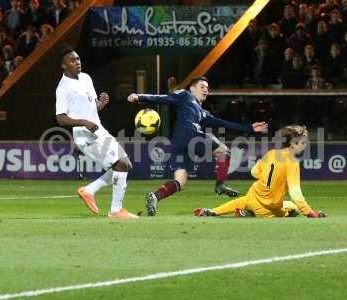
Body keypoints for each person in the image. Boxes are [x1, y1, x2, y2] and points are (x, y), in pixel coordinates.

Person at [127, 77, 267, 216]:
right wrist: (140, 97)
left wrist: (248, 128)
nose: (206, 89)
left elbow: (222, 123)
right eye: (202, 86)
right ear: (192, 88)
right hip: (191, 135)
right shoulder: (185, 96)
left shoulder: (202, 113)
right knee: (223, 151)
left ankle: (155, 196)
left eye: (207, 87)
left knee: (180, 181)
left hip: (178, 143)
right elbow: (164, 98)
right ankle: (220, 185)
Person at [55, 48, 137, 220]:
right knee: (121, 164)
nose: (77, 62)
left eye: (78, 58)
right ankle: (116, 211)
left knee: (125, 164)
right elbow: (61, 119)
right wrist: (84, 122)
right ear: (63, 65)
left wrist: (100, 103)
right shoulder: (63, 88)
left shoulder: (85, 78)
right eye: (72, 60)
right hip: (85, 135)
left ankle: (89, 190)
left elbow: (91, 108)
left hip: (98, 130)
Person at [194, 125, 326, 219]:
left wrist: (269, 178)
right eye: (302, 143)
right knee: (292, 209)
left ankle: (213, 211)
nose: (305, 145)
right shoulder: (292, 163)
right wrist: (310, 212)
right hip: (268, 208)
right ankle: (247, 214)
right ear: (293, 144)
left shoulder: (271, 153)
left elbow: (254, 172)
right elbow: (295, 193)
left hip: (253, 195)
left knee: (244, 201)